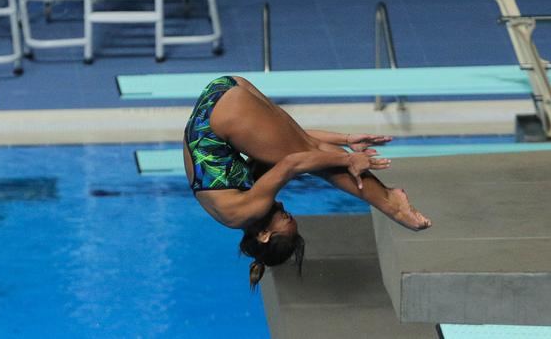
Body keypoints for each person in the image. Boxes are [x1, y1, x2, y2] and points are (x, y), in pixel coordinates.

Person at [184, 75, 431, 286]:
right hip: (221, 93)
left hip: (225, 112)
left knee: (319, 164)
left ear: (264, 235)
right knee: (311, 152)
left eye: (286, 221)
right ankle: (387, 198)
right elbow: (289, 140)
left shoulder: (245, 211)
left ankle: (391, 203)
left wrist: (348, 161)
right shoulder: (240, 201)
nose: (287, 213)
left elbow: (292, 163)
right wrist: (345, 140)